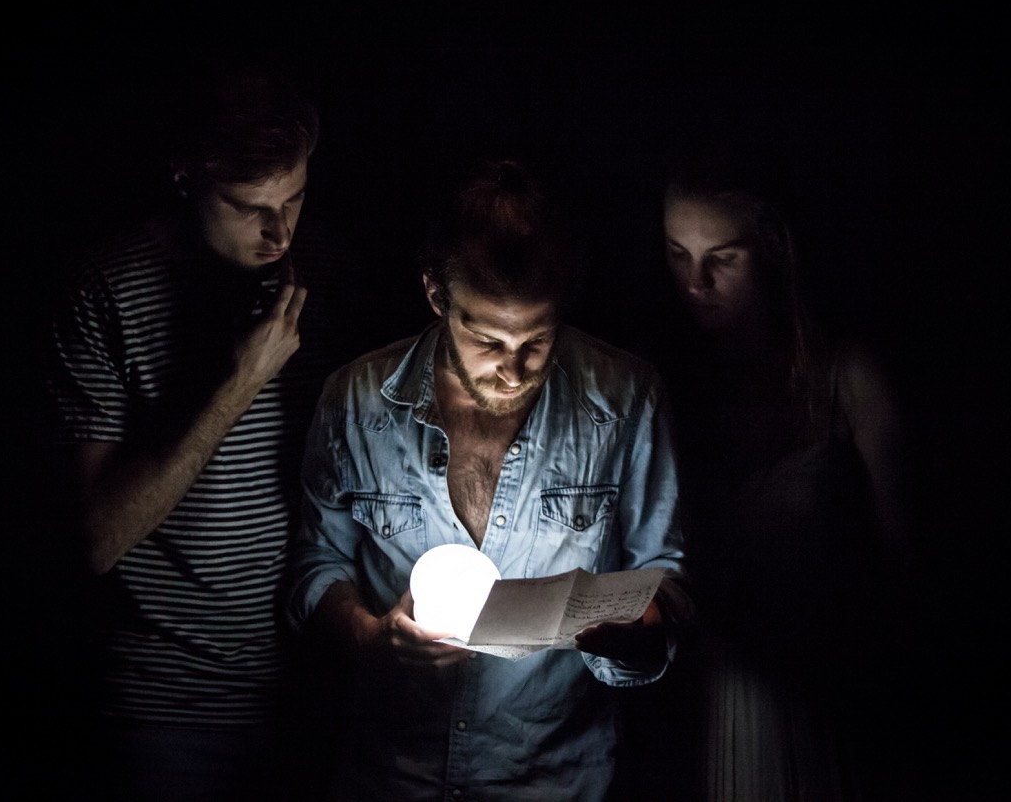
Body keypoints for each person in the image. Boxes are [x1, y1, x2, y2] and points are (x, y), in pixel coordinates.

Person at [286, 158, 692, 801]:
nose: (512, 370)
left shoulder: (627, 401)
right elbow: (317, 559)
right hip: (391, 775)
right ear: (435, 294)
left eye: (536, 339)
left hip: (552, 778)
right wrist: (369, 637)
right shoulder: (355, 401)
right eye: (485, 339)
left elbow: (664, 576)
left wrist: (640, 636)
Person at [44, 54, 355, 801]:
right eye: (249, 206)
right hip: (165, 708)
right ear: (186, 178)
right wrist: (240, 382)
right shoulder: (105, 289)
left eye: (296, 198)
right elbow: (97, 539)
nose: (280, 230)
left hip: (312, 699)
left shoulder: (329, 276)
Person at [637, 155, 913, 801]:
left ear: (771, 249)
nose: (696, 281)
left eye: (722, 257)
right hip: (713, 694)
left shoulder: (845, 376)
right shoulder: (662, 382)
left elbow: (903, 554)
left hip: (833, 689)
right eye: (678, 254)